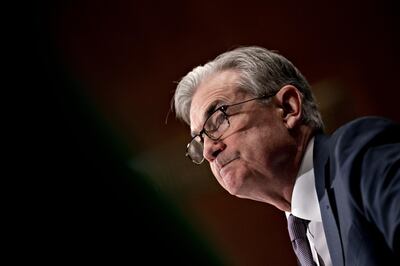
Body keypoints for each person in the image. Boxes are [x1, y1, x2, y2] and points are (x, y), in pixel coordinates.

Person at [172, 46, 399, 266]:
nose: (209, 150)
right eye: (200, 140)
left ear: (288, 108)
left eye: (219, 119)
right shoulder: (305, 243)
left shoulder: (358, 155)